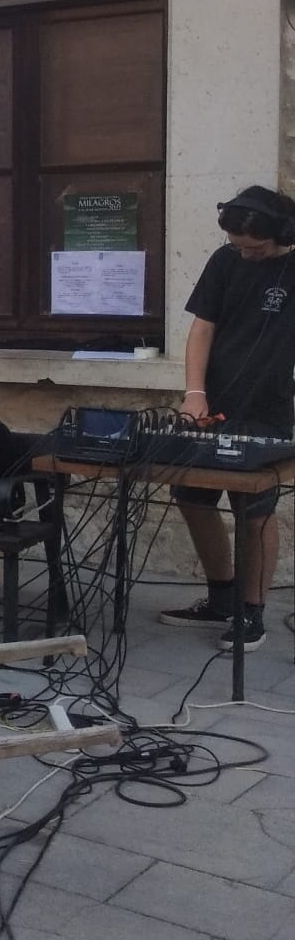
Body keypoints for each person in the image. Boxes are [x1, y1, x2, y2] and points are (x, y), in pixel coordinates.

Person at [160, 185, 295, 651]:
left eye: (254, 248)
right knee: (192, 497)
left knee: (254, 509)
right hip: (213, 405)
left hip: (268, 410)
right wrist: (194, 393)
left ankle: (251, 610)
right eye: (238, 246)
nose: (245, 255)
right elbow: (202, 329)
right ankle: (221, 597)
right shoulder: (224, 262)